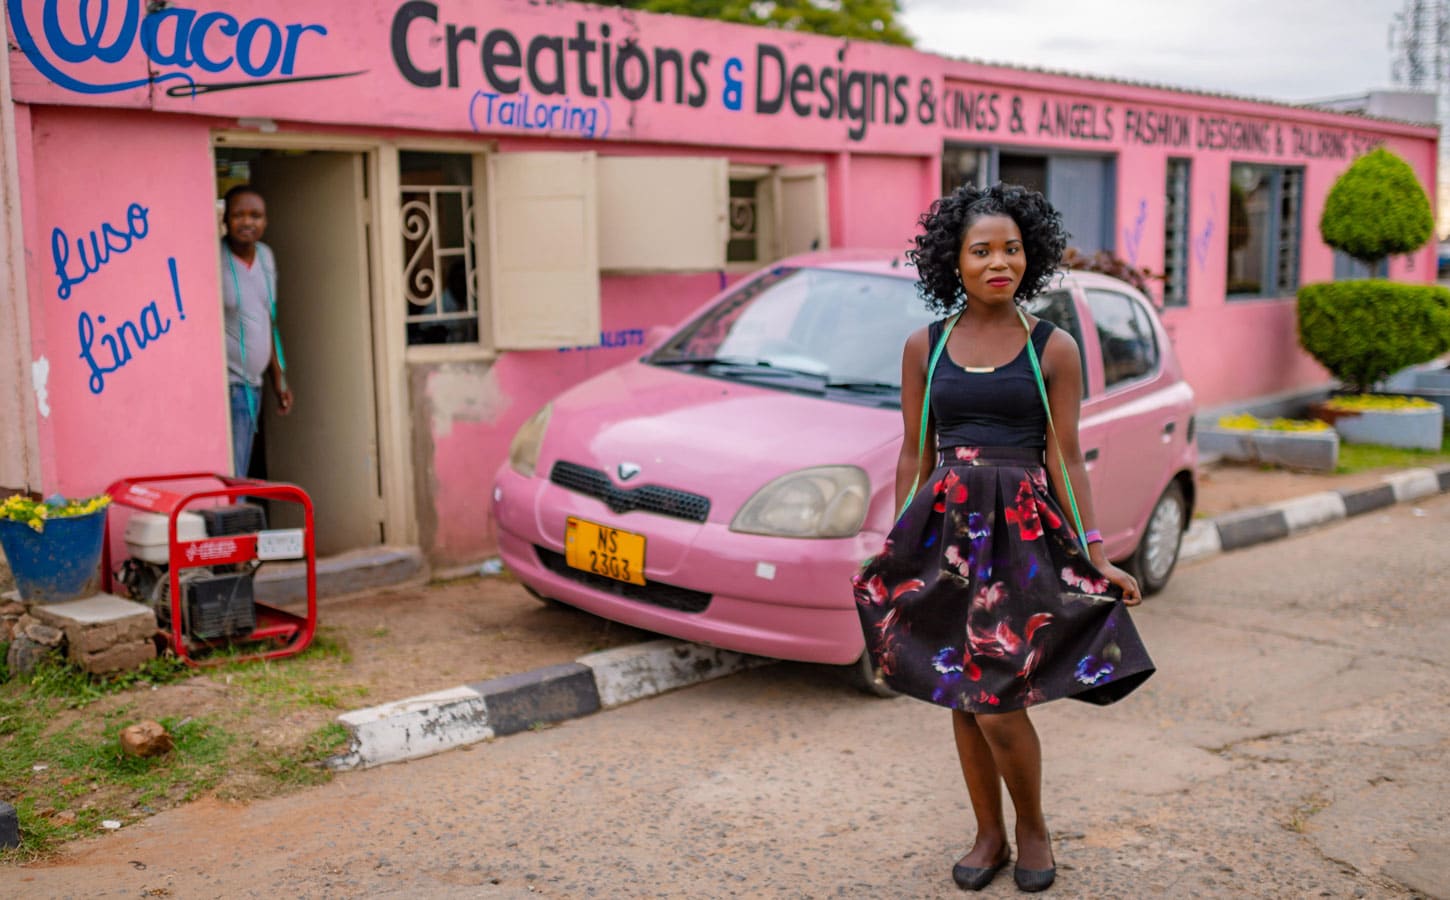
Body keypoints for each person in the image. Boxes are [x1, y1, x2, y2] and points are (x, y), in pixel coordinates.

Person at [854, 182, 1154, 893]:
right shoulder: (923, 348)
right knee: (964, 690)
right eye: (982, 250)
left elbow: (1065, 456)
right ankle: (988, 833)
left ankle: (1031, 827)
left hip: (1021, 539)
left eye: (1012, 249)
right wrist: (902, 544)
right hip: (948, 535)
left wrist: (1096, 552)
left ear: (1032, 257)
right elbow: (912, 455)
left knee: (998, 695)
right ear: (951, 261)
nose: (1000, 262)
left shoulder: (1054, 348)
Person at [220, 185, 292, 477]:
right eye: (238, 215)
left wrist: (279, 377)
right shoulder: (214, 257)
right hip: (229, 383)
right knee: (234, 471)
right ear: (225, 219)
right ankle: (233, 522)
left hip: (254, 385)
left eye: (256, 215)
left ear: (266, 221)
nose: (247, 222)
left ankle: (235, 520)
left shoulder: (266, 257)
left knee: (242, 467)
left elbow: (269, 319)